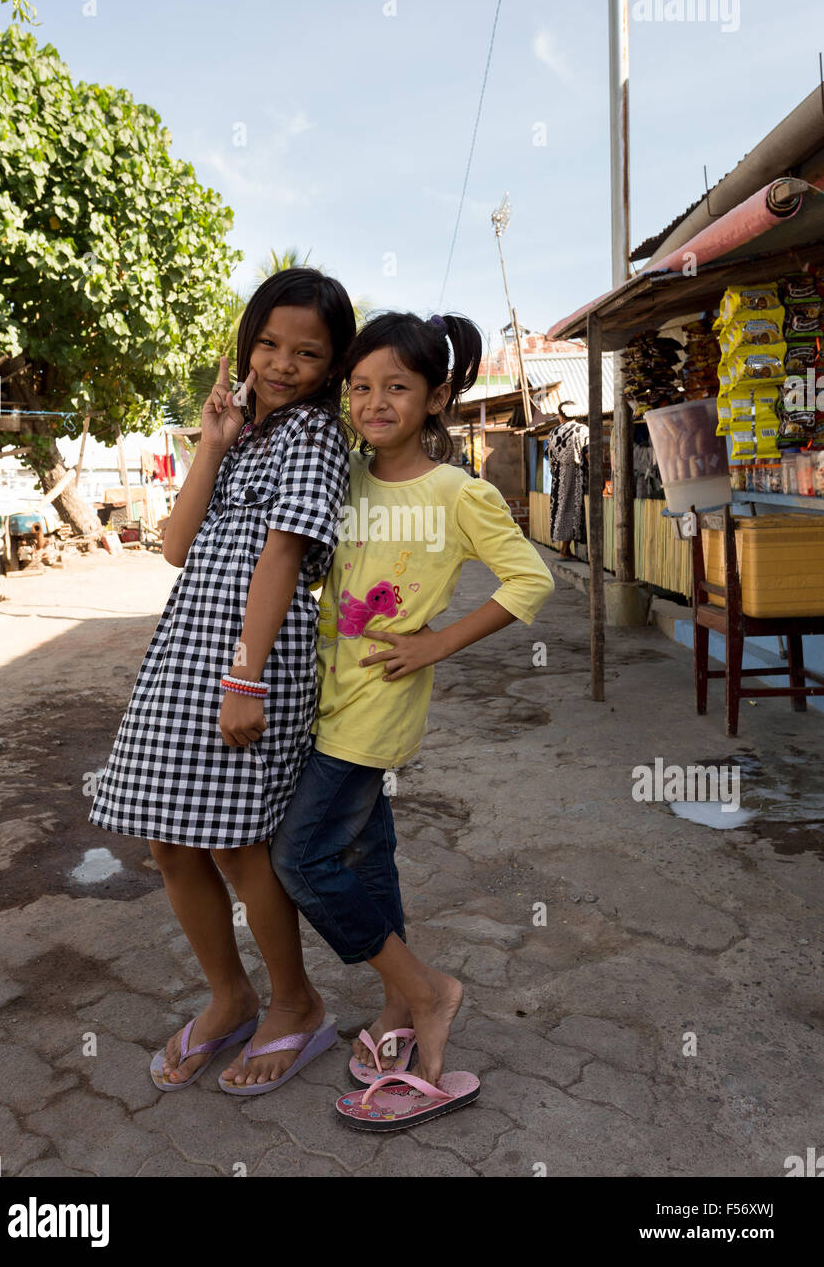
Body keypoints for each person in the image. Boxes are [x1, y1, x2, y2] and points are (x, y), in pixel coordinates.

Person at [263, 311, 554, 1122]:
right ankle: (398, 1005)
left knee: (303, 859)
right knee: (365, 851)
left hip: (377, 709)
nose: (375, 402)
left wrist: (438, 644)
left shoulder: (460, 492)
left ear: (436, 398)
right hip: (318, 696)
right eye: (360, 387)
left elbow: (530, 581)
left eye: (397, 387)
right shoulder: (342, 474)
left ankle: (426, 991)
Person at [88, 267, 355, 1091]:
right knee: (171, 840)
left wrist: (245, 679)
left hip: (250, 661)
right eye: (268, 344)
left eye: (307, 353)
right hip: (184, 654)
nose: (281, 363)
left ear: (333, 364)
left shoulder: (314, 436)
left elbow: (281, 555)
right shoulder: (241, 434)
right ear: (247, 344)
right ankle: (229, 996)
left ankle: (297, 1005)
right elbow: (174, 545)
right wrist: (211, 440)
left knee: (240, 848)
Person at [545, 401, 589, 558]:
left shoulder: (553, 432)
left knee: (561, 509)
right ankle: (566, 549)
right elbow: (588, 453)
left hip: (558, 476)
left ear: (560, 416)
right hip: (577, 474)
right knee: (575, 510)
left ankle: (565, 549)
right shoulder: (583, 430)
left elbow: (549, 456)